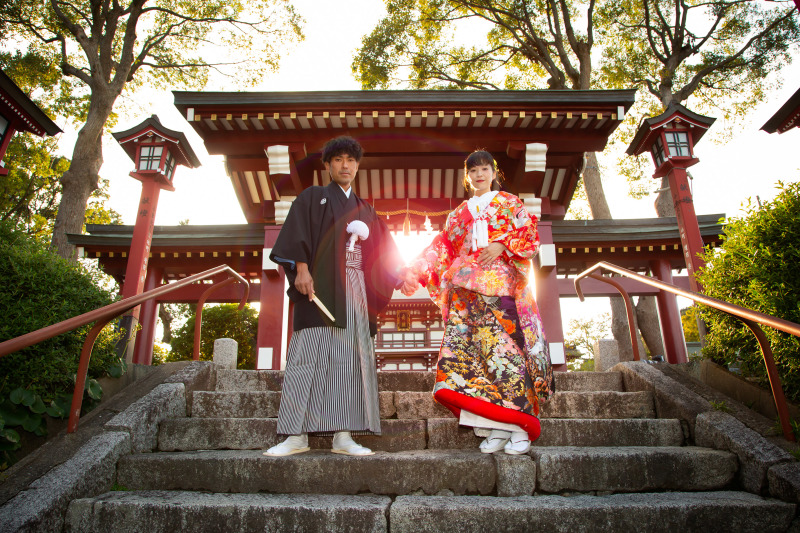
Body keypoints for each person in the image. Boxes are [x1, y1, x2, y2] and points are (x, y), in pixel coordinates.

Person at [400, 150, 553, 455]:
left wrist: (502, 244)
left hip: (501, 290)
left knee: (507, 357)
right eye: (474, 171)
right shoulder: (457, 214)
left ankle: (521, 424)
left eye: (485, 169)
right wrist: (414, 272)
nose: (479, 175)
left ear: (494, 172)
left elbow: (529, 234)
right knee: (471, 362)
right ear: (467, 176)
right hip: (465, 297)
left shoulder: (510, 203)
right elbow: (440, 248)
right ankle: (496, 425)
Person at [265, 136, 401, 457]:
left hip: (354, 290)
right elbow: (298, 233)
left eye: (351, 160)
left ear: (357, 166)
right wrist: (301, 268)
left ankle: (344, 436)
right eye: (338, 159)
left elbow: (385, 253)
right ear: (327, 165)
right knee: (307, 356)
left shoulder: (366, 208)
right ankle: (296, 435)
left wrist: (399, 274)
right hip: (320, 286)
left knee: (349, 362)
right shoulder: (313, 198)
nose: (345, 166)